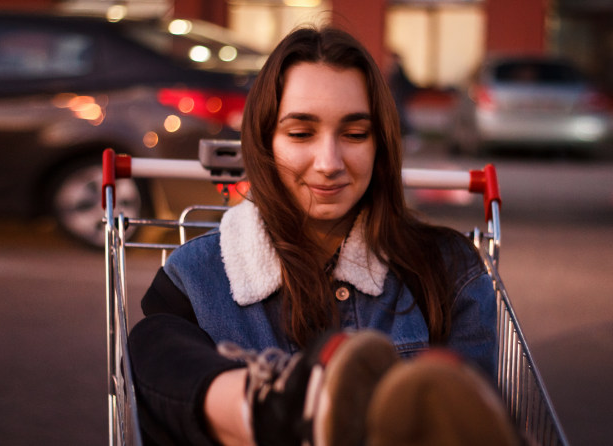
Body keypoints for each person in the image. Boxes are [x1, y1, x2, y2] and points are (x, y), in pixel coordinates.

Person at [128, 25, 518, 446]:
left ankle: (294, 411)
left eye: (354, 134)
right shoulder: (195, 277)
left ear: (380, 145)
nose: (329, 162)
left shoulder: (448, 268)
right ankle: (276, 410)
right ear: (265, 141)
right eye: (300, 133)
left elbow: (468, 422)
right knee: (151, 343)